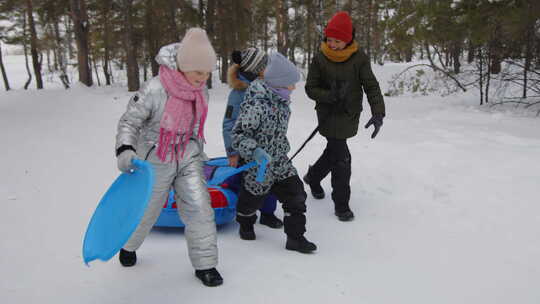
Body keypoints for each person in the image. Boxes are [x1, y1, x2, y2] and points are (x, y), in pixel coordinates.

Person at [114, 28, 223, 287]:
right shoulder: (154, 88)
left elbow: (196, 126)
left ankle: (206, 265)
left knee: (200, 208)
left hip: (187, 156)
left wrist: (197, 151)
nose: (203, 78)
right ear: (184, 66)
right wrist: (125, 149)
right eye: (199, 72)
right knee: (147, 209)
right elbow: (129, 122)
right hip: (155, 157)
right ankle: (128, 246)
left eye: (208, 73)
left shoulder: (200, 90)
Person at [231, 52, 317, 253]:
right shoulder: (257, 104)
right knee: (251, 200)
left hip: (279, 161)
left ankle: (295, 238)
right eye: (290, 84)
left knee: (296, 194)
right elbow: (239, 135)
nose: (293, 88)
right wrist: (255, 151)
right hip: (259, 166)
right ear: (277, 84)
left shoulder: (281, 102)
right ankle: (245, 221)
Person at [304, 11, 386, 222]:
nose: (332, 44)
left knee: (333, 152)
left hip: (349, 114)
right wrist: (329, 96)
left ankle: (313, 177)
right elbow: (310, 88)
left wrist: (378, 112)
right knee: (342, 159)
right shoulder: (320, 58)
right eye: (329, 39)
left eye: (337, 40)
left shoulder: (359, 58)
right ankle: (342, 204)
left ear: (348, 39)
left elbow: (371, 86)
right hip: (328, 114)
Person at [222, 48, 283, 229]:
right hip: (245, 148)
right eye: (265, 67)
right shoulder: (238, 94)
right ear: (255, 69)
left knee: (269, 179)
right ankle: (245, 215)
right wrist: (232, 152)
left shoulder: (266, 87)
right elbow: (228, 124)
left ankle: (267, 213)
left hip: (266, 146)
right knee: (248, 183)